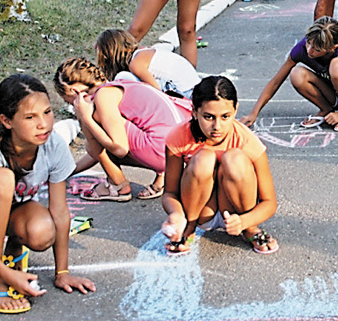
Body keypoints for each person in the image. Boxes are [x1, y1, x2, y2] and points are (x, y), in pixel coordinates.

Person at [0, 74, 95, 314]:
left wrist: (62, 273)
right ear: (7, 121)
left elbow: (59, 211)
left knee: (42, 231)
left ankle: (14, 249)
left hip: (15, 209)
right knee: (3, 178)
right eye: (30, 117)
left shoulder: (53, 144)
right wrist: (5, 274)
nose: (44, 124)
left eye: (47, 112)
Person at [161, 76, 279, 255]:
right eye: (208, 117)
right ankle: (189, 226)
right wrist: (177, 214)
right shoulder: (178, 136)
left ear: (235, 110)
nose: (217, 126)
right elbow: (169, 192)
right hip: (199, 211)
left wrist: (246, 221)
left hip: (235, 213)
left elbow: (270, 202)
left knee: (234, 158)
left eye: (225, 117)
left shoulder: (247, 140)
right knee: (203, 158)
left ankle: (250, 230)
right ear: (194, 111)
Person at [54, 58, 193, 202]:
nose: (71, 105)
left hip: (163, 151)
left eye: (67, 100)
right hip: (180, 149)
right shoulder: (119, 84)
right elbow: (97, 152)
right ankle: (163, 175)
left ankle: (118, 185)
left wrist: (85, 119)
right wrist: (67, 172)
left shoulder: (103, 97)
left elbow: (119, 148)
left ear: (74, 91)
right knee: (105, 131)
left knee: (93, 125)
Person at [242, 16, 338, 132]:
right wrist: (254, 113)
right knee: (296, 73)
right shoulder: (302, 48)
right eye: (308, 43)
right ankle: (326, 109)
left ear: (332, 48)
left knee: (337, 66)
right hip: (330, 91)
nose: (309, 50)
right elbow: (275, 82)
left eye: (316, 49)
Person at [95, 28, 200, 99]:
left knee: (123, 78)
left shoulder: (136, 64)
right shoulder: (144, 53)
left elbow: (157, 92)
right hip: (194, 88)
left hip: (185, 93)